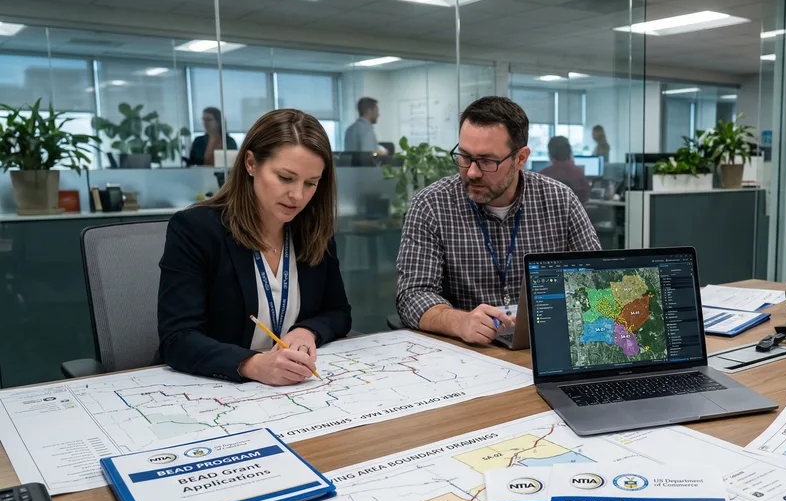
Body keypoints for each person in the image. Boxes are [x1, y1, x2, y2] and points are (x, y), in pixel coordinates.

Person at [159, 109, 352, 386]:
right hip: (217, 389)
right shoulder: (196, 229)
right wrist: (252, 364)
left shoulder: (313, 229)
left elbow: (338, 312)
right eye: (285, 178)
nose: (298, 196)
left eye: (311, 183)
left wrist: (307, 331)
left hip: (291, 391)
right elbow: (177, 338)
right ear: (251, 163)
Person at [395, 96, 601, 345]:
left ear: (520, 158)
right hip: (467, 353)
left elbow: (594, 279)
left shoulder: (560, 200)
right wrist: (459, 322)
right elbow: (412, 294)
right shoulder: (432, 205)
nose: (472, 171)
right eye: (464, 156)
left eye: (487, 161)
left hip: (543, 346)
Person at [539, 135, 590, 203]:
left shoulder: (543, 174)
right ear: (569, 151)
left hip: (548, 213)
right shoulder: (578, 173)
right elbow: (585, 198)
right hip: (573, 212)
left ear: (550, 153)